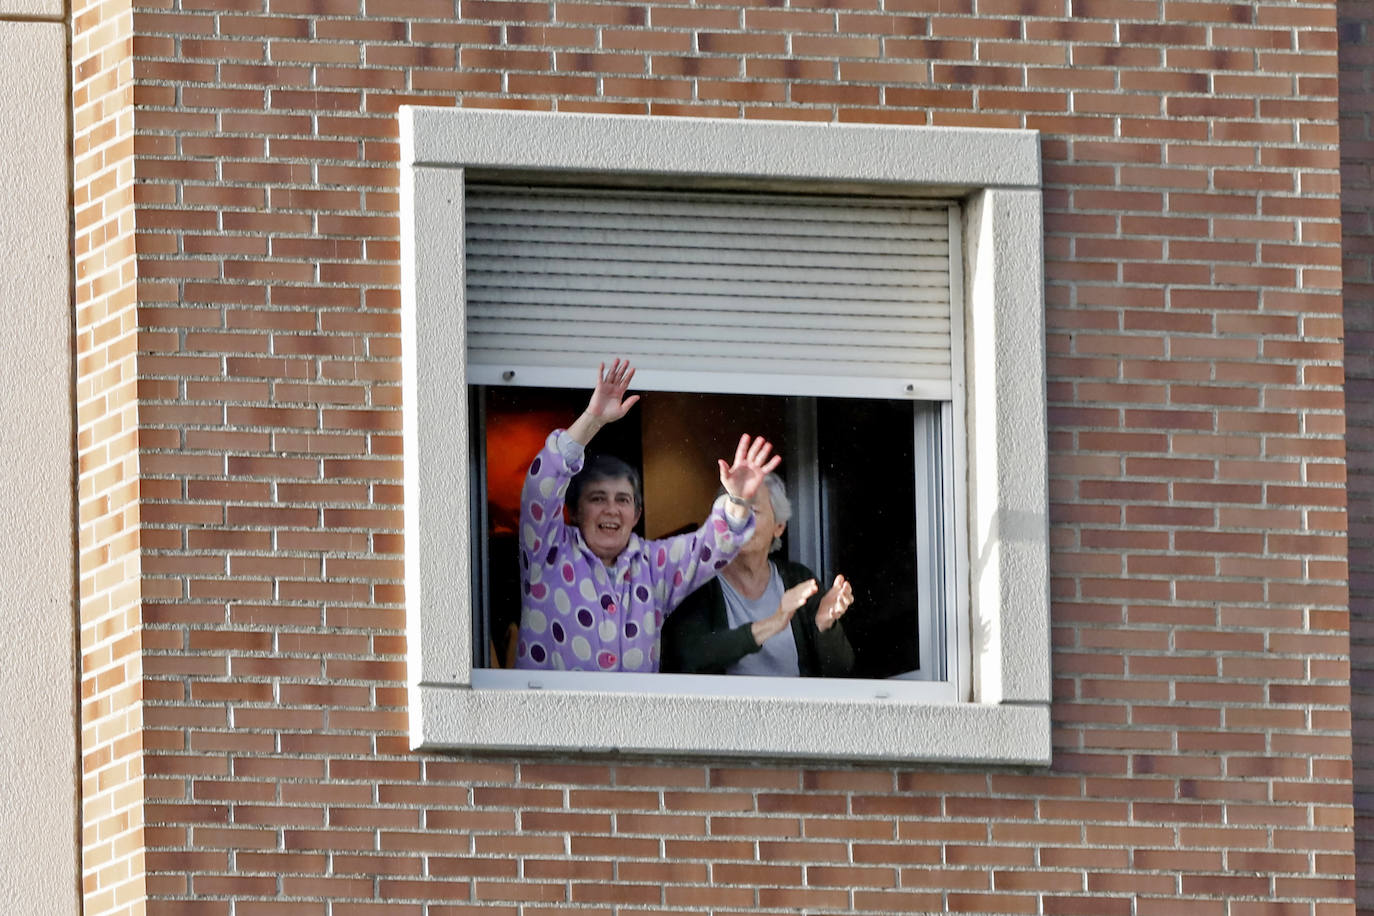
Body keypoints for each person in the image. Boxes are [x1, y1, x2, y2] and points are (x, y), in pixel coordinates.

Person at [515, 359, 781, 673]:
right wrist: (592, 420)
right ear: (574, 511)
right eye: (597, 498)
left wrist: (737, 500)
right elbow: (540, 486)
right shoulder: (549, 552)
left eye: (623, 500)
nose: (611, 509)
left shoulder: (653, 566)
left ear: (637, 513)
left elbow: (711, 546)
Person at [660, 474, 855, 677]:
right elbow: (690, 658)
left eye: (752, 509)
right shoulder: (701, 582)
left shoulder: (797, 579)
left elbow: (841, 669)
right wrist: (772, 623)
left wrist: (825, 625)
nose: (741, 518)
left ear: (779, 527)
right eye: (735, 510)